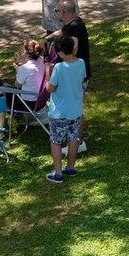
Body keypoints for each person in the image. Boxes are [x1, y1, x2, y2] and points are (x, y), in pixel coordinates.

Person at [44, 34, 88, 182]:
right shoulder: (81, 63)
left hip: (59, 112)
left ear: (59, 52)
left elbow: (50, 88)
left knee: (56, 141)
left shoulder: (58, 68)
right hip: (75, 110)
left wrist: (47, 72)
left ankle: (58, 173)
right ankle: (70, 167)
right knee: (73, 138)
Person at [47, 0, 92, 83]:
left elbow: (73, 50)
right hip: (79, 72)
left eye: (57, 11)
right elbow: (62, 31)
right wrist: (47, 38)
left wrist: (57, 66)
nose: (56, 13)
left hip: (73, 75)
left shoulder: (72, 28)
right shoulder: (76, 21)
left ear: (63, 12)